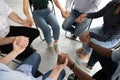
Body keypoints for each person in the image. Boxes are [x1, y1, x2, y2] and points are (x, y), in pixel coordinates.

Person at [0, 36, 67, 80]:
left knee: (36, 55)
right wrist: (57, 69)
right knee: (62, 71)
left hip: (20, 73)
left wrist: (15, 52)